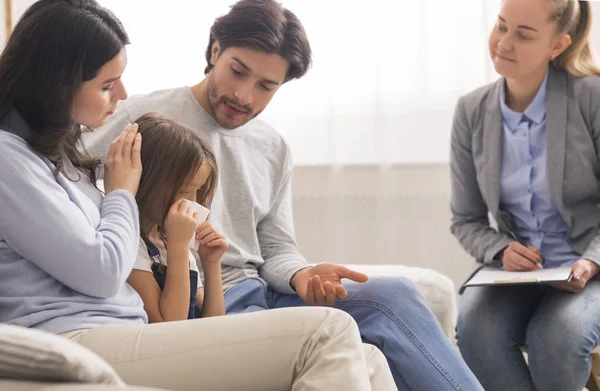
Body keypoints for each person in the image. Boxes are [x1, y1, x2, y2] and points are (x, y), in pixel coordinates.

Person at [85, 0, 483, 389]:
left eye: (265, 86)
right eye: (237, 72)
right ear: (214, 50)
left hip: (262, 292)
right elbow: (63, 166)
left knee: (394, 294)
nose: (244, 95)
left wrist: (301, 274)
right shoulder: (142, 115)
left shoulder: (273, 148)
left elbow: (276, 247)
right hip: (205, 299)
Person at [0, 1, 397, 390]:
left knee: (368, 358)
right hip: (76, 338)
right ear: (56, 83)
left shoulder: (56, 156)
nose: (121, 93)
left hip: (125, 331)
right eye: (106, 84)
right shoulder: (8, 158)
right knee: (329, 330)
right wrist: (121, 193)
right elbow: (102, 272)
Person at [450, 0, 600, 390]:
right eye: (501, 26)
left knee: (557, 338)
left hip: (591, 268)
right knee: (475, 331)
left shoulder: (592, 99)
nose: (504, 42)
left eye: (524, 34)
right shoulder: (471, 112)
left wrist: (590, 262)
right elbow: (466, 219)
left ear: (558, 45)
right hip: (517, 276)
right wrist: (500, 250)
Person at [127, 112, 227, 322]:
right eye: (183, 190)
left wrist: (211, 263)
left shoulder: (167, 239)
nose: (193, 202)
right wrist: (179, 247)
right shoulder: (131, 241)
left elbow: (216, 326)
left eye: (198, 191)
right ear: (147, 179)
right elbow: (169, 325)